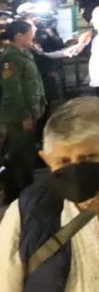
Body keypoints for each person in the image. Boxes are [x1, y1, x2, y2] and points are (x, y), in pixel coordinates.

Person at [0, 97, 99, 292]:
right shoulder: (27, 212)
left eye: (89, 158)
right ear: (46, 160)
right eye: (63, 161)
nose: (75, 168)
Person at [0, 20, 45, 204]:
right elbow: (12, 90)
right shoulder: (9, 58)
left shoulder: (24, 53)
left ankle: (25, 190)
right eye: (30, 34)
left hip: (30, 112)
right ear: (19, 36)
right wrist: (24, 115)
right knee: (17, 155)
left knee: (26, 154)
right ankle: (14, 193)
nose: (33, 36)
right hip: (17, 117)